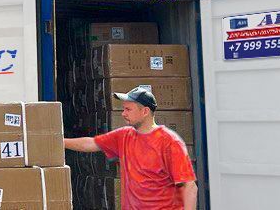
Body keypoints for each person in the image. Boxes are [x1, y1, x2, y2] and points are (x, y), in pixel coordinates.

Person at [64, 86, 197, 210]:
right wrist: (58, 141)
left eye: (128, 109)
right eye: (123, 109)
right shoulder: (124, 136)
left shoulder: (169, 142)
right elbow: (91, 143)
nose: (123, 114)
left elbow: (189, 186)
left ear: (145, 111)